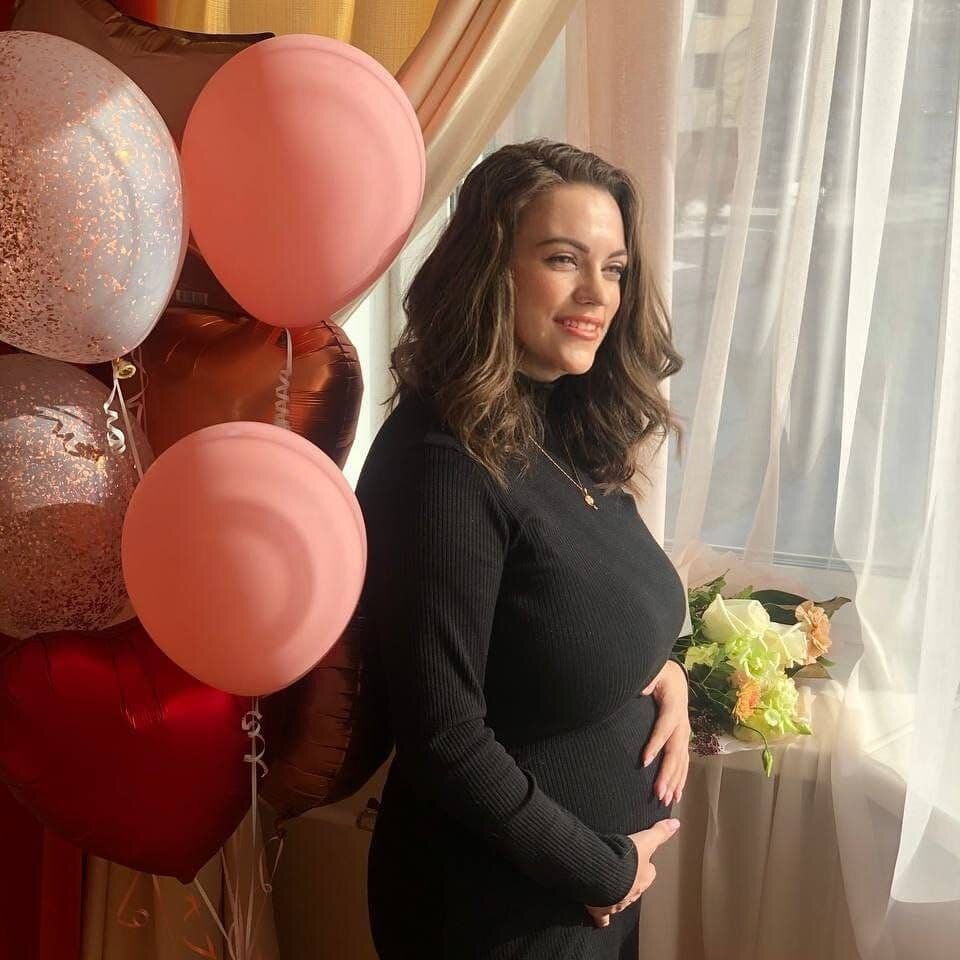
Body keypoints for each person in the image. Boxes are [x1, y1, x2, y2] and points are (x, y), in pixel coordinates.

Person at [355, 138, 692, 959]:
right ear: (491, 270)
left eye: (614, 268)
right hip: (495, 912)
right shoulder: (442, 463)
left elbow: (577, 610)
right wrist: (601, 869)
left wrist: (668, 673)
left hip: (584, 902)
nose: (597, 294)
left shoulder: (568, 427)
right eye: (562, 259)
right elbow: (443, 738)